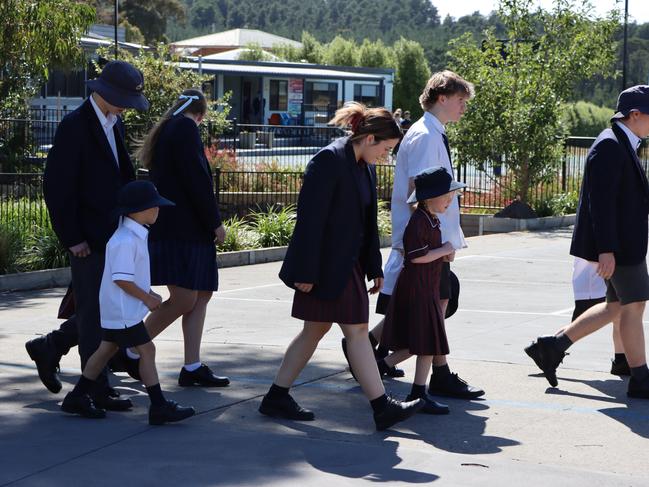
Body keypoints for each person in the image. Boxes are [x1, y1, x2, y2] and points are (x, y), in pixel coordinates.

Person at [258, 102, 423, 431]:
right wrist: (304, 272)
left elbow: (367, 222)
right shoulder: (329, 160)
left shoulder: (365, 165)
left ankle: (276, 396)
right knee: (357, 332)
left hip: (346, 265)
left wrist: (374, 266)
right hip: (322, 267)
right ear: (370, 138)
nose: (386, 157)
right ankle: (381, 407)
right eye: (386, 149)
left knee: (315, 330)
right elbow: (309, 221)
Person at [344, 70, 484, 400]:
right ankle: (432, 372)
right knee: (433, 304)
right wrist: (433, 240)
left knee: (426, 304)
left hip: (433, 236)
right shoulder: (425, 136)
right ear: (442, 98)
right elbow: (419, 190)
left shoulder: (430, 133)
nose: (464, 107)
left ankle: (373, 351)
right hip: (427, 238)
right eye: (461, 101)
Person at [29, 60, 149, 410]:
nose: (126, 107)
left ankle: (54, 349)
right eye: (123, 99)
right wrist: (72, 237)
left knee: (106, 311)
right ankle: (91, 388)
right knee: (96, 316)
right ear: (104, 93)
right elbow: (57, 187)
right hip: (88, 238)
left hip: (112, 233)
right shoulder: (75, 126)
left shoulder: (114, 124)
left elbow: (120, 174)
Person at [525, 85, 649, 398]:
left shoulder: (622, 142)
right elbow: (600, 203)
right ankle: (641, 378)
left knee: (617, 306)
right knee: (634, 307)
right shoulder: (610, 146)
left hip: (624, 244)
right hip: (620, 247)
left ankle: (552, 346)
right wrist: (606, 250)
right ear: (635, 115)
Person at [61, 181, 195, 425]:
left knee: (105, 351)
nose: (158, 210)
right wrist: (147, 297)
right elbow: (121, 278)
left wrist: (146, 293)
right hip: (123, 310)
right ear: (137, 210)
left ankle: (77, 396)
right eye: (154, 206)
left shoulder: (131, 234)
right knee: (147, 350)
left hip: (119, 308)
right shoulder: (125, 240)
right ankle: (158, 406)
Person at [127, 88, 230, 388]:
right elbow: (196, 179)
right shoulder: (184, 127)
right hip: (184, 228)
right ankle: (131, 350)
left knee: (200, 295)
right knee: (186, 298)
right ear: (200, 114)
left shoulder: (169, 127)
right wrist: (215, 223)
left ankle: (192, 365)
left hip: (179, 227)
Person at [382, 167, 467, 415]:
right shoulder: (419, 221)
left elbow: (429, 252)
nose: (450, 200)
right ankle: (416, 391)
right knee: (426, 342)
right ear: (428, 198)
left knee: (425, 342)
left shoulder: (431, 219)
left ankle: (385, 371)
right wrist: (443, 251)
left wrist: (443, 252)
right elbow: (416, 257)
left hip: (427, 288)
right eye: (446, 196)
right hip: (419, 289)